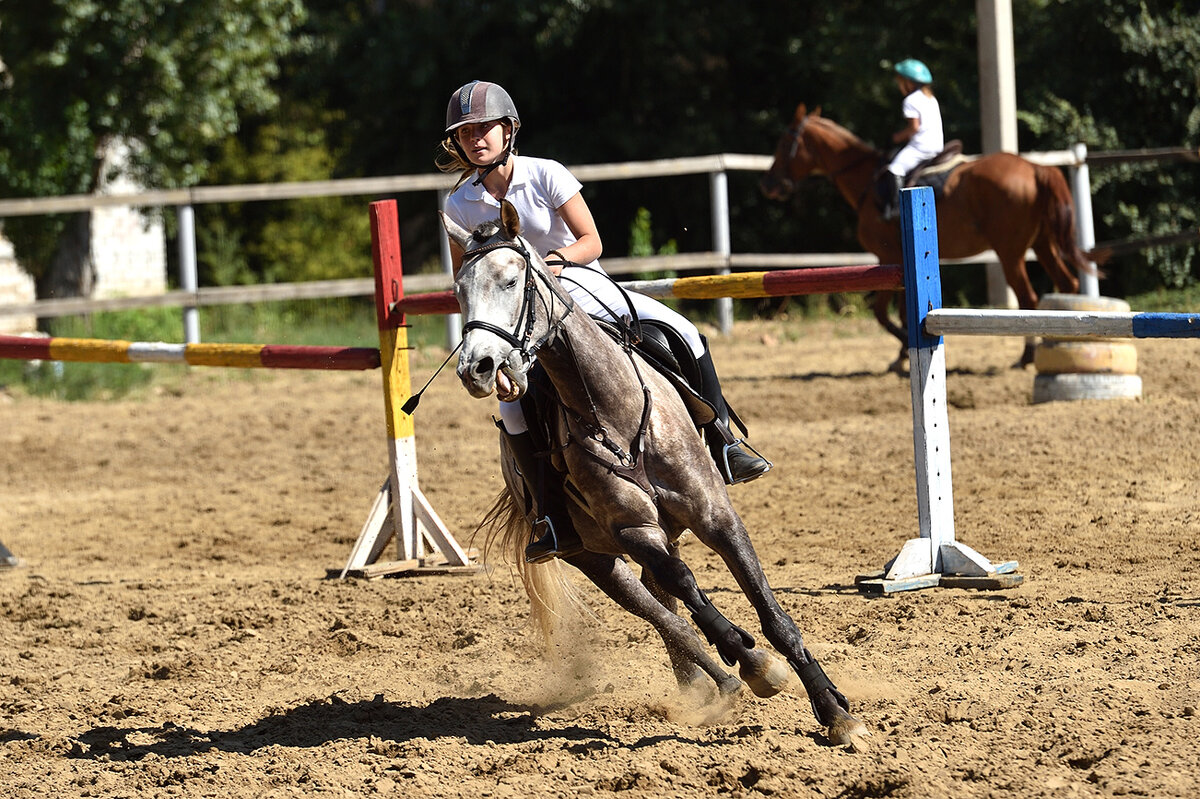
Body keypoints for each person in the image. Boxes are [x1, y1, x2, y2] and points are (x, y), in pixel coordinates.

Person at [437, 80, 770, 563]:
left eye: (484, 128)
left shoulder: (546, 174)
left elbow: (592, 241)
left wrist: (556, 262)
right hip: (516, 313)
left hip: (576, 285)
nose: (475, 138)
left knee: (687, 331)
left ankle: (722, 441)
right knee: (512, 409)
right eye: (465, 133)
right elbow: (465, 276)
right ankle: (550, 514)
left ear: (508, 130)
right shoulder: (459, 203)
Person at [881, 59, 943, 221]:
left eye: (901, 81)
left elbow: (914, 128)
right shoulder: (930, 98)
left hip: (921, 147)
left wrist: (895, 137)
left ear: (908, 82)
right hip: (937, 145)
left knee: (895, 169)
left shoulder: (910, 100)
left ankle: (897, 210)